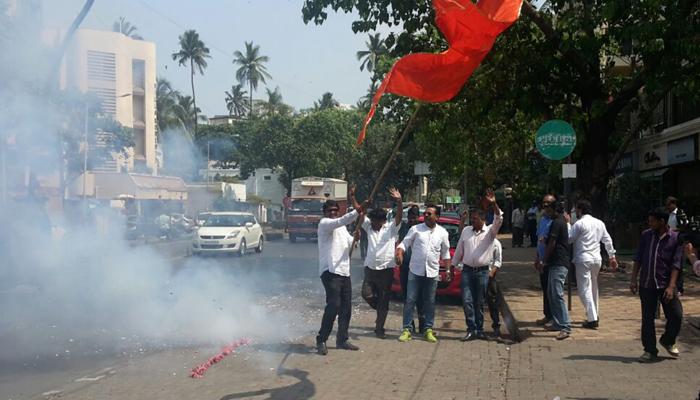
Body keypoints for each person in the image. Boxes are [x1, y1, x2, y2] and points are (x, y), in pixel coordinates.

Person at [630, 208, 683, 363]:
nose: (650, 223)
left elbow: (676, 264)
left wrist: (671, 286)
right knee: (647, 319)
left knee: (676, 315)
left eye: (653, 221)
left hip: (666, 284)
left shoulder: (675, 238)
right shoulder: (646, 236)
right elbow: (638, 258)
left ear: (661, 222)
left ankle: (667, 340)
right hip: (647, 284)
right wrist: (633, 279)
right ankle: (650, 350)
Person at [315, 196, 365, 356]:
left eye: (335, 211)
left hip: (344, 271)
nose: (333, 213)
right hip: (330, 271)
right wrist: (358, 209)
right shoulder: (325, 224)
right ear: (324, 213)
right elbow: (341, 221)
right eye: (330, 211)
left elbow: (350, 244)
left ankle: (342, 339)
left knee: (346, 308)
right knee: (334, 305)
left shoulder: (342, 228)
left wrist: (355, 239)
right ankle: (321, 339)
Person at [395, 204, 451, 343]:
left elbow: (445, 253)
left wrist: (448, 270)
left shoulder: (443, 233)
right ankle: (407, 329)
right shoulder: (416, 229)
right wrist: (399, 253)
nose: (425, 215)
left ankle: (428, 329)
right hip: (415, 271)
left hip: (432, 272)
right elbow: (404, 243)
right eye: (425, 213)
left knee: (430, 302)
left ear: (437, 217)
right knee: (410, 300)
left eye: (429, 214)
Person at [452, 189, 503, 341]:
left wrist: (494, 205)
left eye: (474, 219)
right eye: (471, 219)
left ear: (482, 219)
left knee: (479, 302)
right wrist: (452, 267)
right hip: (467, 271)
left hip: (482, 272)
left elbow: (499, 219)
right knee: (467, 300)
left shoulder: (490, 233)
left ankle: (480, 329)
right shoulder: (466, 231)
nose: (472, 221)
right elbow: (459, 249)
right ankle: (471, 328)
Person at [357, 188, 403, 339]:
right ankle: (381, 311)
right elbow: (360, 215)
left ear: (383, 221)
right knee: (366, 294)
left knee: (384, 298)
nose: (375, 224)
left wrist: (399, 201)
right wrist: (357, 200)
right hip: (370, 268)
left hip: (385, 269)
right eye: (373, 221)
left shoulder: (390, 229)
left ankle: (379, 328)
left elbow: (398, 217)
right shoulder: (369, 227)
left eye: (377, 222)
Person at [566, 200, 618, 329]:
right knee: (593, 287)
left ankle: (592, 318)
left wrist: (568, 224)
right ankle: (594, 314)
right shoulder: (599, 223)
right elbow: (607, 240)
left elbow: (569, 239)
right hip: (596, 259)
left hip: (583, 258)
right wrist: (612, 256)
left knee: (584, 289)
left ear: (580, 210)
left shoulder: (579, 224)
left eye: (576, 210)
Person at [540, 198, 571, 340]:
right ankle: (558, 323)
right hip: (555, 263)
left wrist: (543, 260)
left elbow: (552, 243)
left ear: (553, 209)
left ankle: (565, 326)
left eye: (547, 208)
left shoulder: (557, 222)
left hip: (559, 262)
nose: (545, 211)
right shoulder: (557, 222)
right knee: (552, 293)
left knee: (557, 294)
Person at [398, 205, 424, 332]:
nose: (412, 220)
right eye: (410, 217)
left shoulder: (422, 229)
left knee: (421, 298)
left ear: (418, 217)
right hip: (405, 268)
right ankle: (409, 325)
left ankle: (423, 325)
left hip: (419, 268)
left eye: (414, 217)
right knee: (407, 298)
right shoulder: (403, 228)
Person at [534, 195, 554, 326]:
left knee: (552, 291)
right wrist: (537, 258)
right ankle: (547, 315)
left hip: (552, 260)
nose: (545, 207)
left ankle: (554, 317)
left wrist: (545, 260)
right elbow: (539, 240)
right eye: (544, 204)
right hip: (541, 260)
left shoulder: (556, 221)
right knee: (545, 289)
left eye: (548, 204)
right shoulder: (542, 220)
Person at [485, 238, 503, 339]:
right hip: (478, 275)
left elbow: (498, 261)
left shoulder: (496, 243)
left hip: (490, 276)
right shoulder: (477, 241)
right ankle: (476, 328)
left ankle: (496, 326)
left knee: (493, 302)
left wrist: (492, 272)